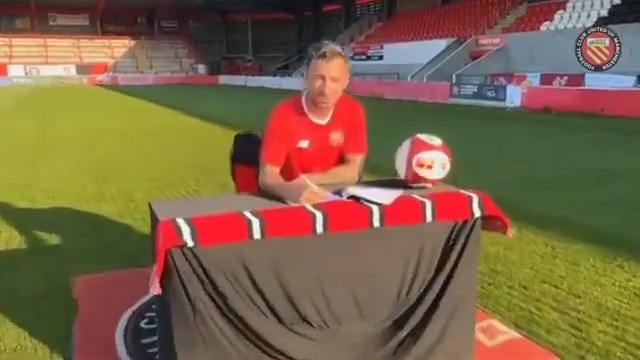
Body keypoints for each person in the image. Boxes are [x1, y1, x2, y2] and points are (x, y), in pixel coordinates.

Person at [259, 41, 368, 204]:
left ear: (346, 82)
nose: (325, 89)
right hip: (292, 204)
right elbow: (267, 176)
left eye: (334, 80)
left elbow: (353, 172)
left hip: (335, 201)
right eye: (319, 78)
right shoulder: (283, 113)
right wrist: (290, 191)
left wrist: (307, 180)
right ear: (305, 78)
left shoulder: (353, 110)